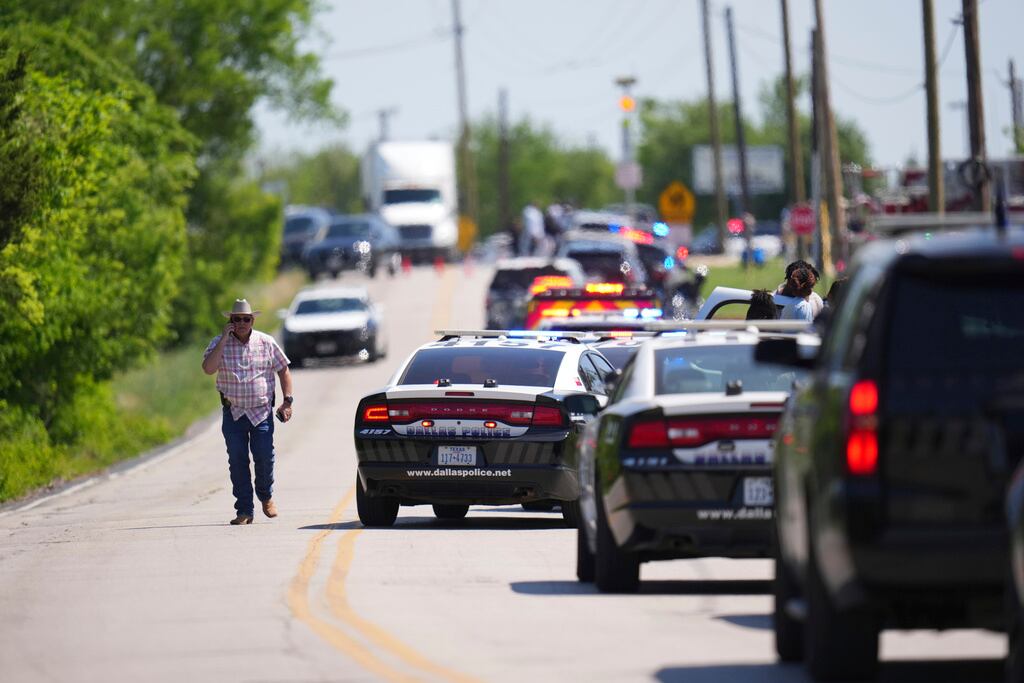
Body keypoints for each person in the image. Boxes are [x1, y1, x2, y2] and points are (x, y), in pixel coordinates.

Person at [202, 299, 293, 525]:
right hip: (233, 413)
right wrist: (224, 339)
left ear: (252, 320)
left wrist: (287, 401)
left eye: (246, 319)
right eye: (236, 319)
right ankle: (244, 510)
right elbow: (208, 369)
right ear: (230, 321)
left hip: (261, 412)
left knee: (264, 457)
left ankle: (266, 495)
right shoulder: (218, 343)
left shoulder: (266, 342)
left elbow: (283, 369)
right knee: (237, 460)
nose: (241, 323)